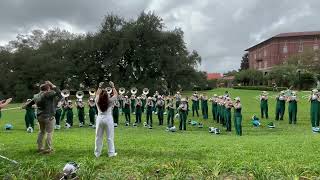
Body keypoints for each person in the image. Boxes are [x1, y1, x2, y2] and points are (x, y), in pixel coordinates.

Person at [30, 81, 62, 153]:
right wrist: (53, 85)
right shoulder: (48, 94)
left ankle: (40, 147)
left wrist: (25, 106)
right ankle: (48, 149)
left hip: (40, 116)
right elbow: (60, 94)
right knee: (49, 132)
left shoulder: (36, 95)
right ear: (48, 89)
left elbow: (31, 102)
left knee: (41, 132)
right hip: (48, 116)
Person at [94, 81, 118, 158]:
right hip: (108, 118)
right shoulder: (109, 101)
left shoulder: (97, 100)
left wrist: (99, 87)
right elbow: (116, 95)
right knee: (110, 137)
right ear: (107, 95)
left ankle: (97, 153)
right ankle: (111, 153)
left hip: (100, 118)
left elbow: (97, 94)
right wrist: (113, 86)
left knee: (98, 137)